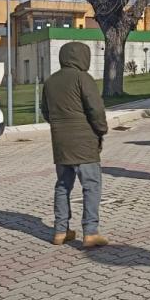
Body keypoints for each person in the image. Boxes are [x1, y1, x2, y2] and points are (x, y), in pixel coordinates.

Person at [40, 42, 109, 248]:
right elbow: (95, 109)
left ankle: (60, 231)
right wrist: (101, 129)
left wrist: (60, 125)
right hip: (84, 142)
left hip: (61, 142)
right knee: (91, 185)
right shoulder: (82, 78)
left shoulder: (50, 82)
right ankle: (90, 232)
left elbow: (46, 111)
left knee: (63, 185)